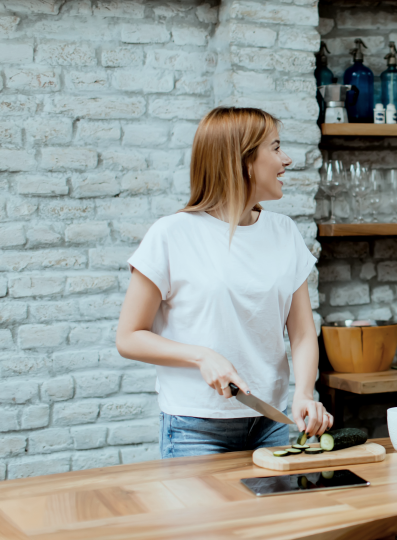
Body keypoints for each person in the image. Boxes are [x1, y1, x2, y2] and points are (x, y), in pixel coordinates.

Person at [116, 107, 333, 458]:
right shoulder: (172, 234)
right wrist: (201, 356)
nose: (287, 159)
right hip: (194, 428)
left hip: (271, 424)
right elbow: (129, 338)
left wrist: (305, 393)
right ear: (244, 161)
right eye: (276, 148)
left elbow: (303, 333)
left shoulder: (284, 233)